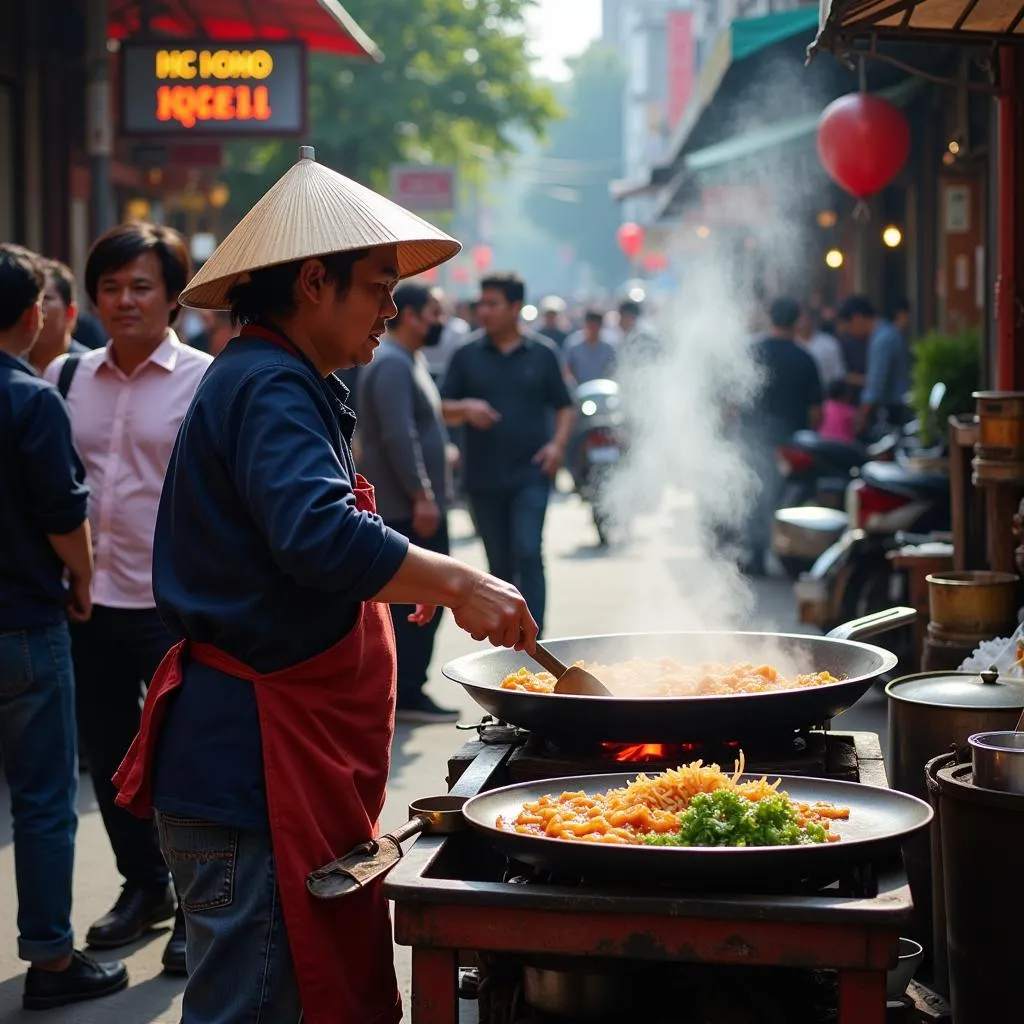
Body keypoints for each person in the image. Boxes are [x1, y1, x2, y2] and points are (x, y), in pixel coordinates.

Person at [110, 146, 537, 1024]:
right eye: (378, 284)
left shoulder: (278, 377)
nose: (395, 306)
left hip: (265, 761)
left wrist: (397, 579)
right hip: (250, 768)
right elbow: (317, 535)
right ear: (313, 282)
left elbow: (305, 542)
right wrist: (457, 581)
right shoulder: (269, 382)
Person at [44, 222, 213, 975]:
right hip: (86, 601)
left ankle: (194, 905)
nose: (123, 300)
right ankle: (141, 887)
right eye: (109, 287)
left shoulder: (208, 378)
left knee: (184, 762)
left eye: (141, 286)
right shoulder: (67, 377)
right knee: (109, 758)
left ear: (173, 297)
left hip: (170, 604)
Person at [0, 243, 128, 1009]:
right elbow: (62, 514)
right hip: (22, 624)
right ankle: (50, 962)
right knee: (43, 800)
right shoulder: (29, 397)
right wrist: (82, 580)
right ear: (33, 315)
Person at [442, 273, 574, 633]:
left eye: (492, 304)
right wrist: (466, 408)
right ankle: (507, 638)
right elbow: (440, 406)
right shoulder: (466, 354)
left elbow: (565, 405)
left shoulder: (543, 353)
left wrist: (557, 446)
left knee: (528, 551)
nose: (484, 311)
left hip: (532, 472)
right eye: (481, 303)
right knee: (498, 563)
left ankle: (535, 640)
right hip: (483, 477)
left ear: (516, 307)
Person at [357, 282, 461, 723]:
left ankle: (409, 688)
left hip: (416, 504)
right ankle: (407, 691)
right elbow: (399, 435)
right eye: (434, 312)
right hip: (406, 508)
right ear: (412, 314)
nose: (440, 321)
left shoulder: (409, 360)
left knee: (425, 603)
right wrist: (422, 494)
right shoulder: (393, 365)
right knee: (419, 604)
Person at [740, 297, 823, 577]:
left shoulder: (753, 353)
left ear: (770, 318)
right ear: (797, 321)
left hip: (754, 439)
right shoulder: (805, 358)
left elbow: (735, 398)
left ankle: (757, 555)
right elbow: (816, 412)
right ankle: (794, 555)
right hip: (792, 442)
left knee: (756, 497)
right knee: (789, 499)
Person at [835, 295, 910, 436]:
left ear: (857, 318)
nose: (851, 332)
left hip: (896, 409)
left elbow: (875, 386)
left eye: (849, 326)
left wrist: (861, 417)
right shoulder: (885, 334)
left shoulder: (881, 340)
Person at [28, 260, 88, 375]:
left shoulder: (88, 369)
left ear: (70, 312)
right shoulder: (10, 368)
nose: (36, 306)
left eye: (45, 299)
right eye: (31, 298)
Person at [795, 305, 845, 392]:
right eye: (800, 319)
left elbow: (838, 374)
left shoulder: (829, 343)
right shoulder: (790, 344)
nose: (803, 322)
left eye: (806, 318)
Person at [564, 309, 616, 384]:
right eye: (590, 326)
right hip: (578, 390)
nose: (593, 329)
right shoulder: (573, 346)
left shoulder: (608, 349)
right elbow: (567, 370)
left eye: (596, 326)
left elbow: (612, 371)